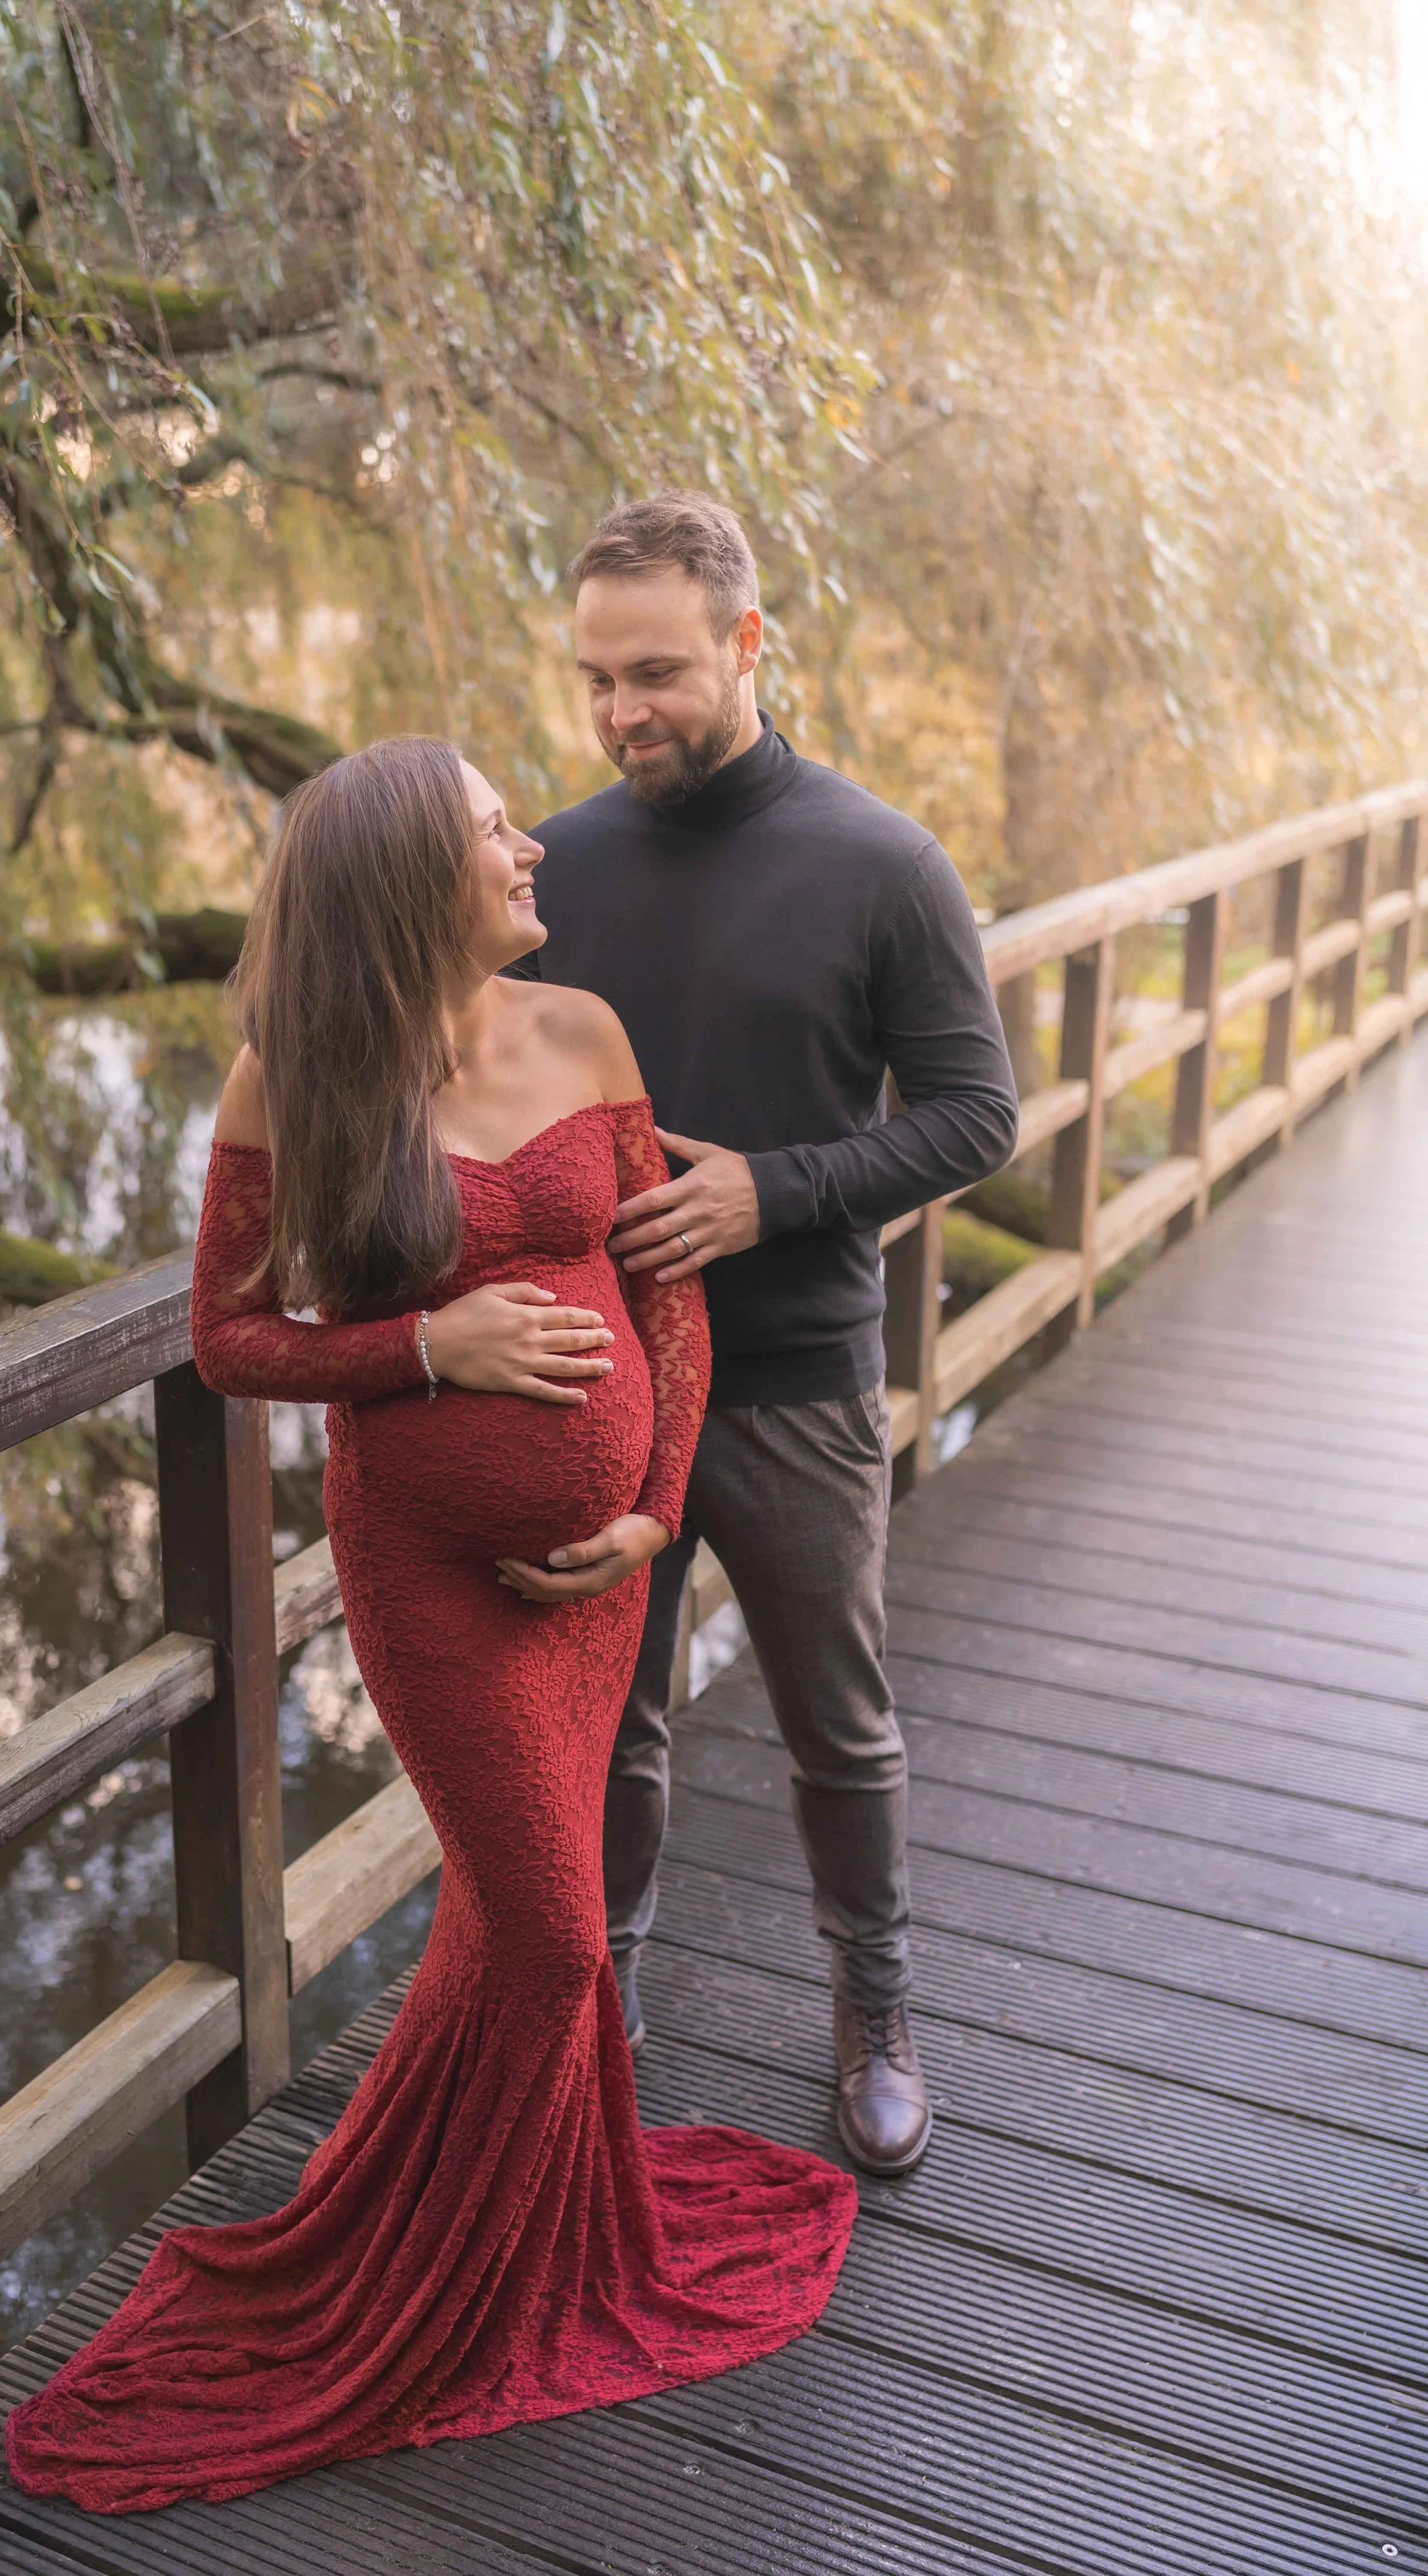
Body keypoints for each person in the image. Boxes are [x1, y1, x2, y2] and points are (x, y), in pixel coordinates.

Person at [4, 735, 854, 2513]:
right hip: (428, 1578)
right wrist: (427, 1346)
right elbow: (236, 1336)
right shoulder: (296, 1079)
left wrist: (645, 1510)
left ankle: (522, 2227)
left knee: (509, 1918)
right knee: (549, 1934)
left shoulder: (583, 1033)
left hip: (598, 1571)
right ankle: (432, 2283)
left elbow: (665, 1301)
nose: (531, 844)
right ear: (411, 881)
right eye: (490, 832)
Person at [515, 492, 1019, 2178]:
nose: (618, 712)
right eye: (594, 678)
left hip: (793, 1375)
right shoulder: (555, 865)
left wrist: (772, 1193)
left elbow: (973, 1118)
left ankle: (873, 2016)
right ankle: (607, 2009)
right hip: (597, 1376)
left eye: (652, 671)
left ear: (745, 641)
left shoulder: (883, 864)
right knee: (611, 1719)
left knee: (836, 1718)